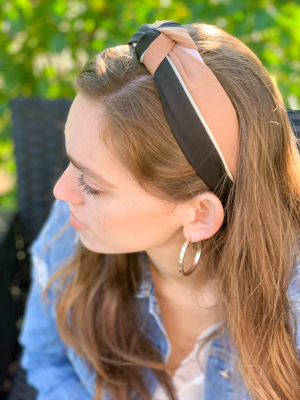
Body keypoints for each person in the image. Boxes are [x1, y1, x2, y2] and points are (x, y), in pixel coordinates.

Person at [18, 20, 300, 400]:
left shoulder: (291, 310)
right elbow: (47, 361)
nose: (61, 191)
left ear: (199, 215)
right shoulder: (70, 230)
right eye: (70, 160)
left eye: (92, 184)